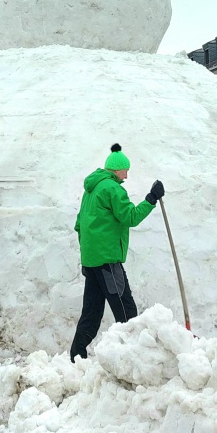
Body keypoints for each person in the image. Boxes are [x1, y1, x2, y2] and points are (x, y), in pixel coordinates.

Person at [69, 143, 164, 362]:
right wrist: (151, 199)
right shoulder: (112, 189)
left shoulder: (91, 190)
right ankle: (137, 357)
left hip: (91, 261)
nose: (127, 176)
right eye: (125, 170)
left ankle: (76, 357)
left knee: (91, 313)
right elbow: (130, 217)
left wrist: (91, 247)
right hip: (108, 261)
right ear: (117, 169)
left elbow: (78, 224)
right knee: (126, 310)